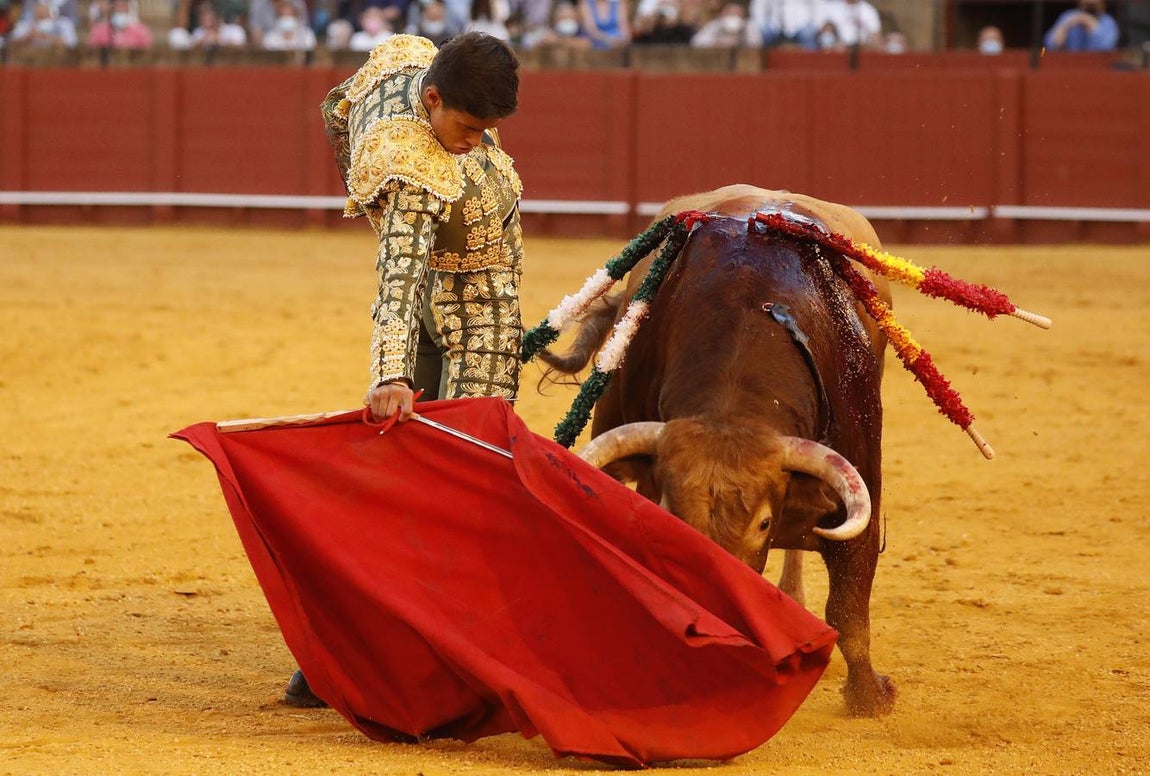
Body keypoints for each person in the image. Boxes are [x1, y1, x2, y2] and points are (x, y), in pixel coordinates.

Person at [283, 33, 525, 708]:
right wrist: (391, 376)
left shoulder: (409, 73)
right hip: (474, 312)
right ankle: (426, 650)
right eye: (468, 128)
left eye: (489, 129)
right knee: (465, 486)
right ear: (432, 99)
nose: (477, 140)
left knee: (415, 479)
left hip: (456, 298)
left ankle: (351, 648)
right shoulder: (413, 166)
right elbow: (397, 279)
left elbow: (357, 91)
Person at [1044, 0, 1118, 52]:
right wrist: (1066, 26)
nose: (1089, 2)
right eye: (1087, 3)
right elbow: (1050, 45)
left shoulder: (1108, 21)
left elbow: (1106, 48)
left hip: (1096, 67)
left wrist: (1090, 22)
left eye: (1092, 4)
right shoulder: (1069, 16)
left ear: (1102, 4)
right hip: (1070, 65)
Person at [690, 0, 761, 48]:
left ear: (743, 15)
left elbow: (756, 43)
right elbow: (696, 42)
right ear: (722, 14)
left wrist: (739, 42)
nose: (732, 16)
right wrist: (717, 42)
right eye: (729, 13)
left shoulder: (749, 25)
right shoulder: (716, 24)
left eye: (736, 13)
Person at [7, 0, 77, 49]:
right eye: (39, 6)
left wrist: (45, 36)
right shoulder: (24, 24)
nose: (41, 9)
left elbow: (71, 44)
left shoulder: (63, 23)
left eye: (44, 7)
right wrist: (28, 36)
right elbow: (12, 43)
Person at [814, 0, 880, 49]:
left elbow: (875, 34)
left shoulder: (868, 10)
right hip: (838, 48)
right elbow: (823, 32)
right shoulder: (833, 7)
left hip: (862, 48)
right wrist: (834, 43)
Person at [88, 0, 153, 48]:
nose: (120, 9)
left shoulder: (141, 31)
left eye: (123, 5)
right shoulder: (98, 31)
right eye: (116, 6)